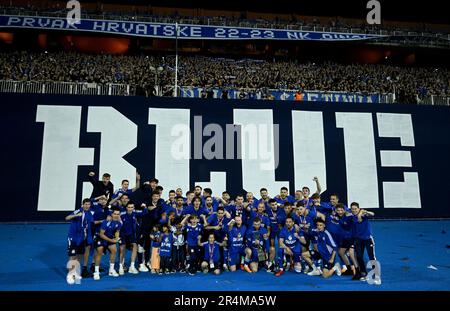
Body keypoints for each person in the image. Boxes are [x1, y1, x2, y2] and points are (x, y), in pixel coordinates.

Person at [349, 202, 379, 283]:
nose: (354, 210)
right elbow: (359, 219)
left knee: (371, 257)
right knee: (359, 256)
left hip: (368, 239)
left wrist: (366, 212)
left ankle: (377, 275)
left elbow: (372, 214)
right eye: (352, 209)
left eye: (355, 209)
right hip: (358, 240)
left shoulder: (364, 214)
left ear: (358, 208)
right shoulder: (352, 217)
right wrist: (360, 213)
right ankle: (364, 273)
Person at [65, 198, 94, 278]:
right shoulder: (78, 211)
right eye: (86, 204)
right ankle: (70, 274)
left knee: (80, 255)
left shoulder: (90, 213)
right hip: (73, 237)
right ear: (82, 204)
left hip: (82, 238)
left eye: (89, 204)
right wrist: (76, 215)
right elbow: (67, 218)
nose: (87, 206)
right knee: (73, 255)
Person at [92, 206, 122, 280]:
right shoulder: (106, 222)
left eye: (118, 214)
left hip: (109, 237)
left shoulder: (119, 223)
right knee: (100, 250)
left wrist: (116, 238)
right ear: (111, 214)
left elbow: (117, 231)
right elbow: (101, 234)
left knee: (114, 250)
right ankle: (96, 272)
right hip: (100, 237)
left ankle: (111, 270)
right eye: (115, 214)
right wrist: (112, 241)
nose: (116, 215)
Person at [118, 201, 147, 275]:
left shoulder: (135, 213)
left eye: (132, 207)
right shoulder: (122, 214)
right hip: (123, 235)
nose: (130, 209)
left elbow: (144, 213)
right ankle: (121, 266)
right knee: (122, 249)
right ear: (126, 208)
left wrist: (144, 206)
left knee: (135, 246)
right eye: (129, 207)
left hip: (131, 235)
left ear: (133, 208)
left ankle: (132, 266)